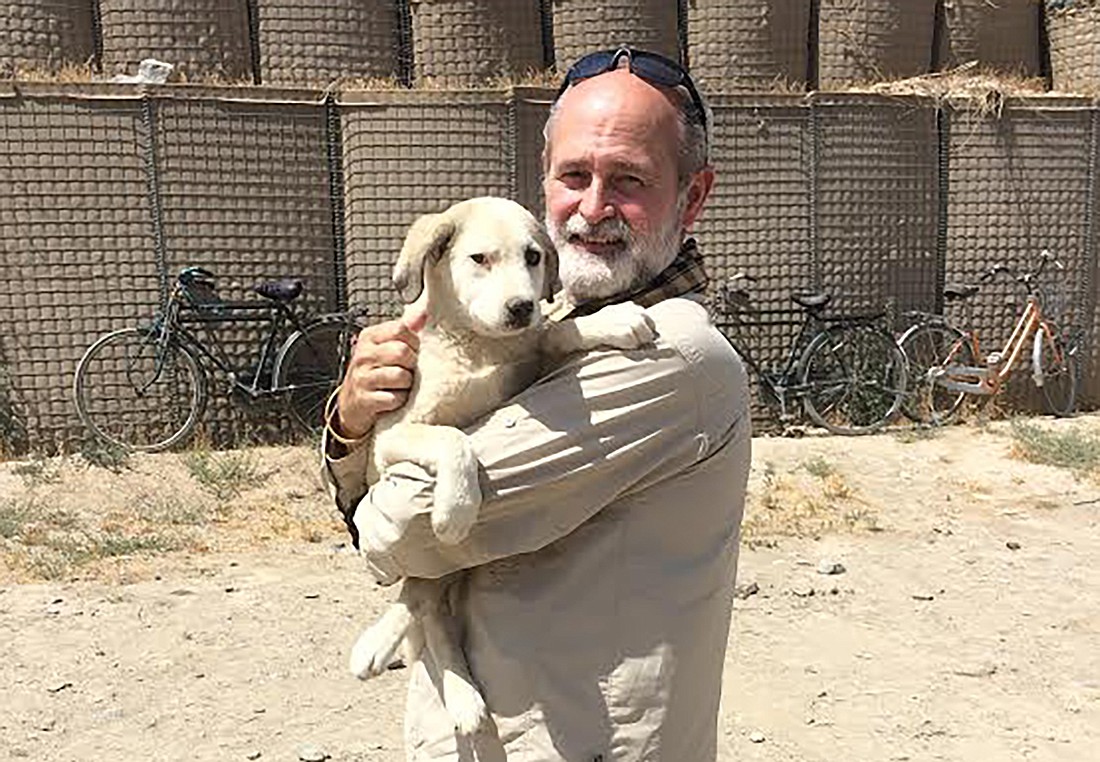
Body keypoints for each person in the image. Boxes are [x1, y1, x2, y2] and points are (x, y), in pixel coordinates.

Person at [322, 47, 751, 762]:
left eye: (629, 181)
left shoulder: (666, 357)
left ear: (693, 196)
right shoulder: (549, 325)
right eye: (573, 176)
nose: (591, 208)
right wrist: (351, 420)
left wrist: (370, 473)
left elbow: (396, 529)